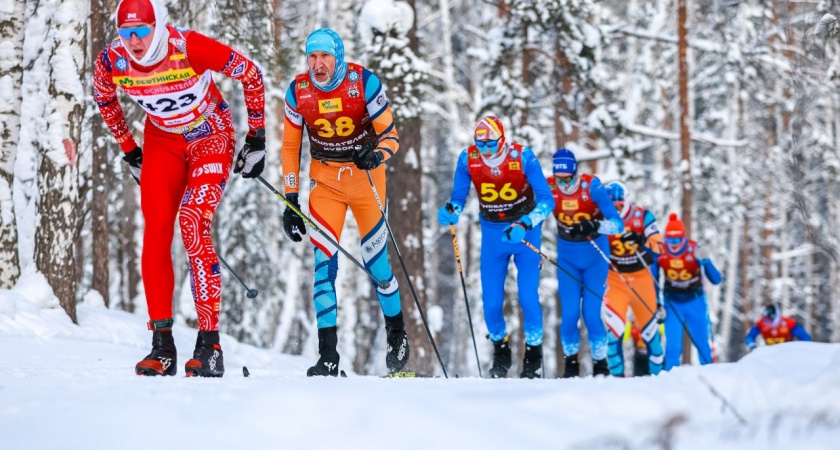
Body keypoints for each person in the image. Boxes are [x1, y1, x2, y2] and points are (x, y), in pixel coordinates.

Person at [92, 0, 266, 377]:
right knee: (155, 232)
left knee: (191, 220)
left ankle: (209, 345)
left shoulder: (187, 46)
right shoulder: (112, 60)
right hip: (161, 140)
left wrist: (256, 139)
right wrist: (130, 149)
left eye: (142, 31)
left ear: (158, 25)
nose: (135, 41)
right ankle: (162, 347)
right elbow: (104, 98)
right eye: (126, 32)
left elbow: (251, 74)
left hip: (211, 134)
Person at [280, 28, 408, 377]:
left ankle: (397, 335)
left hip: (366, 181)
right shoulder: (298, 91)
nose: (318, 65)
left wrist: (377, 155)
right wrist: (290, 197)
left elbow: (392, 135)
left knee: (377, 265)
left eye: (325, 57)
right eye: (312, 57)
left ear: (337, 57)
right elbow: (291, 148)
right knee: (323, 267)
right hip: (325, 183)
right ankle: (328, 356)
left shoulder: (363, 82)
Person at [437, 116, 554, 378]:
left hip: (525, 234)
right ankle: (501, 353)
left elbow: (547, 201)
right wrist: (452, 210)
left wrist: (525, 223)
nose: (486, 150)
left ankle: (532, 358)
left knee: (527, 297)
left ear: (502, 140)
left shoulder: (523, 157)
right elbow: (459, 196)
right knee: (491, 302)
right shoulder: (468, 158)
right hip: (493, 235)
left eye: (491, 144)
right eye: (481, 145)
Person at [548, 149, 624, 377]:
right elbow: (534, 211)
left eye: (568, 179)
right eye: (559, 179)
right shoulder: (549, 186)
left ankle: (601, 366)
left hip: (594, 256)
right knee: (570, 314)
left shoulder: (592, 186)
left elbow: (617, 224)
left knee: (591, 314)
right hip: (567, 256)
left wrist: (595, 225)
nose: (564, 184)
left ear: (576, 173)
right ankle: (571, 365)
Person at [602, 181, 665, 377]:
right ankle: (617, 380)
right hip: (615, 279)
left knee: (651, 337)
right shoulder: (601, 218)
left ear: (626, 202)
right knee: (613, 336)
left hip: (641, 278)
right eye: (611, 206)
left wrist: (640, 241)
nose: (616, 210)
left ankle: (658, 380)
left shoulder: (643, 217)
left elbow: (658, 248)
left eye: (619, 206)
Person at [657, 213, 721, 370]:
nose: (673, 244)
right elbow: (653, 277)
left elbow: (716, 279)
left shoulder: (694, 249)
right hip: (673, 303)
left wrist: (706, 260)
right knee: (672, 347)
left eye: (677, 240)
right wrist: (657, 303)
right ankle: (670, 380)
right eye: (670, 240)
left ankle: (711, 374)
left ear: (683, 238)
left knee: (701, 344)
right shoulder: (661, 251)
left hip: (695, 301)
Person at [745, 303, 811, 350]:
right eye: (765, 320)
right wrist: (752, 345)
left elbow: (805, 337)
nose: (766, 323)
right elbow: (750, 337)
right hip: (769, 353)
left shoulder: (788, 323)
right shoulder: (761, 324)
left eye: (768, 320)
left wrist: (800, 348)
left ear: (775, 317)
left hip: (789, 352)